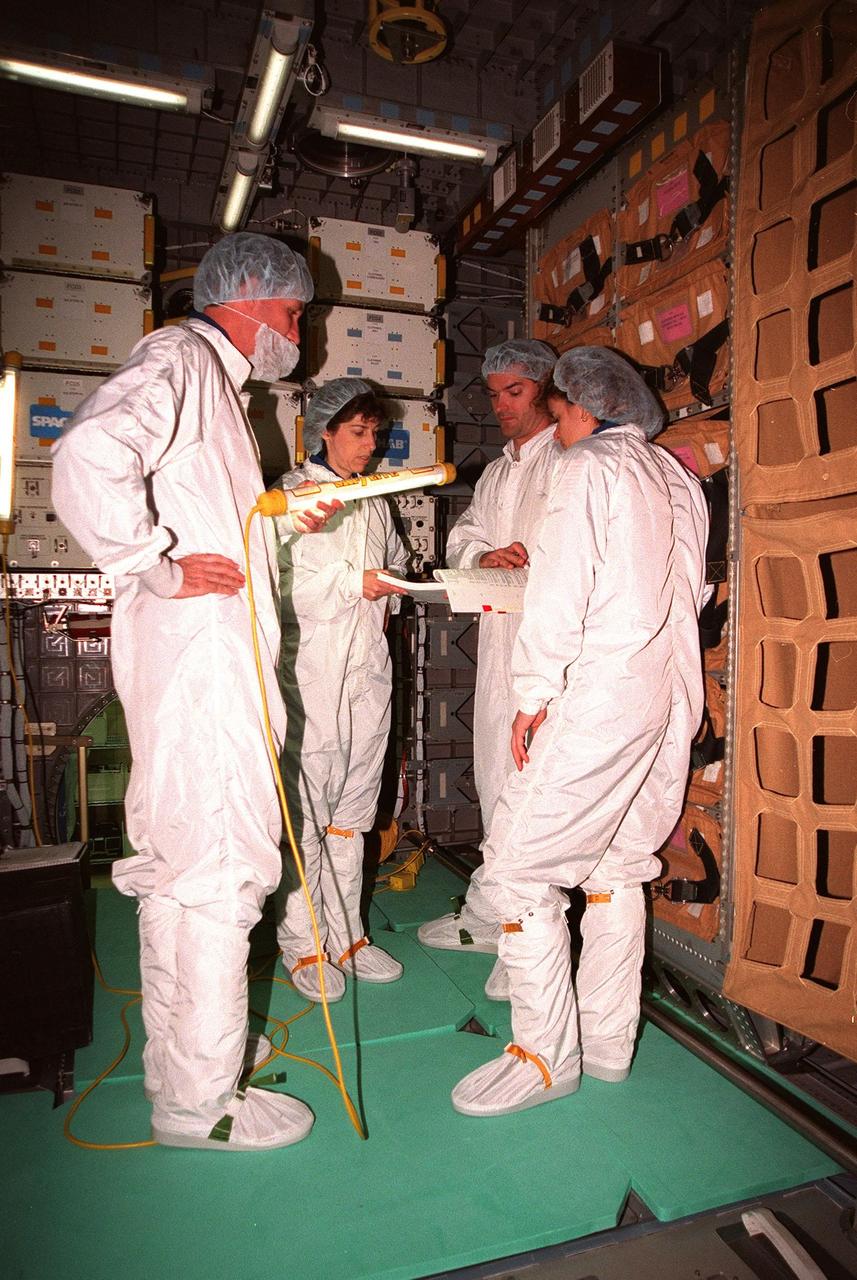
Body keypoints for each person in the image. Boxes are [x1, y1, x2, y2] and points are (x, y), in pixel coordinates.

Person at [51, 232, 331, 1152]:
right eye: (294, 315)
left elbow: (211, 520)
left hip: (196, 670)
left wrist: (283, 513)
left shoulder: (214, 391)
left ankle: (180, 1089)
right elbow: (90, 456)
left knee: (180, 877)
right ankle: (206, 1105)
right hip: (205, 673)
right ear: (250, 303)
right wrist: (152, 567)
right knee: (219, 874)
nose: (299, 334)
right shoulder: (183, 359)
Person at [450, 346, 709, 1117]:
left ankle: (542, 1057)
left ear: (586, 409)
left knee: (520, 870)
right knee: (617, 869)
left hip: (597, 697)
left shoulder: (586, 469)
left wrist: (531, 694)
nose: (554, 424)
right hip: (666, 700)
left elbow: (561, 593)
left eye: (557, 409)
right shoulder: (678, 479)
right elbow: (691, 590)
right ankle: (604, 1044)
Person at [416, 340, 559, 990]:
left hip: (547, 649)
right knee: (495, 781)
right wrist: (483, 558)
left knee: (532, 793)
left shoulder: (571, 461)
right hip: (499, 643)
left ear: (544, 389)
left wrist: (530, 560)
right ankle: (486, 917)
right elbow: (464, 532)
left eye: (515, 392)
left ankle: (524, 948)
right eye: (494, 393)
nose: (501, 406)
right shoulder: (501, 470)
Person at [274, 378, 409, 1002]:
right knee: (307, 813)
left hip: (367, 675)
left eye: (375, 434)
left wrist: (395, 582)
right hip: (311, 676)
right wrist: (357, 582)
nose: (370, 445)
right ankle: (303, 944)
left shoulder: (376, 498)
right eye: (358, 432)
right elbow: (283, 592)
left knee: (354, 812)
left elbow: (391, 567)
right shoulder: (291, 498)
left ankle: (348, 933)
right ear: (323, 430)